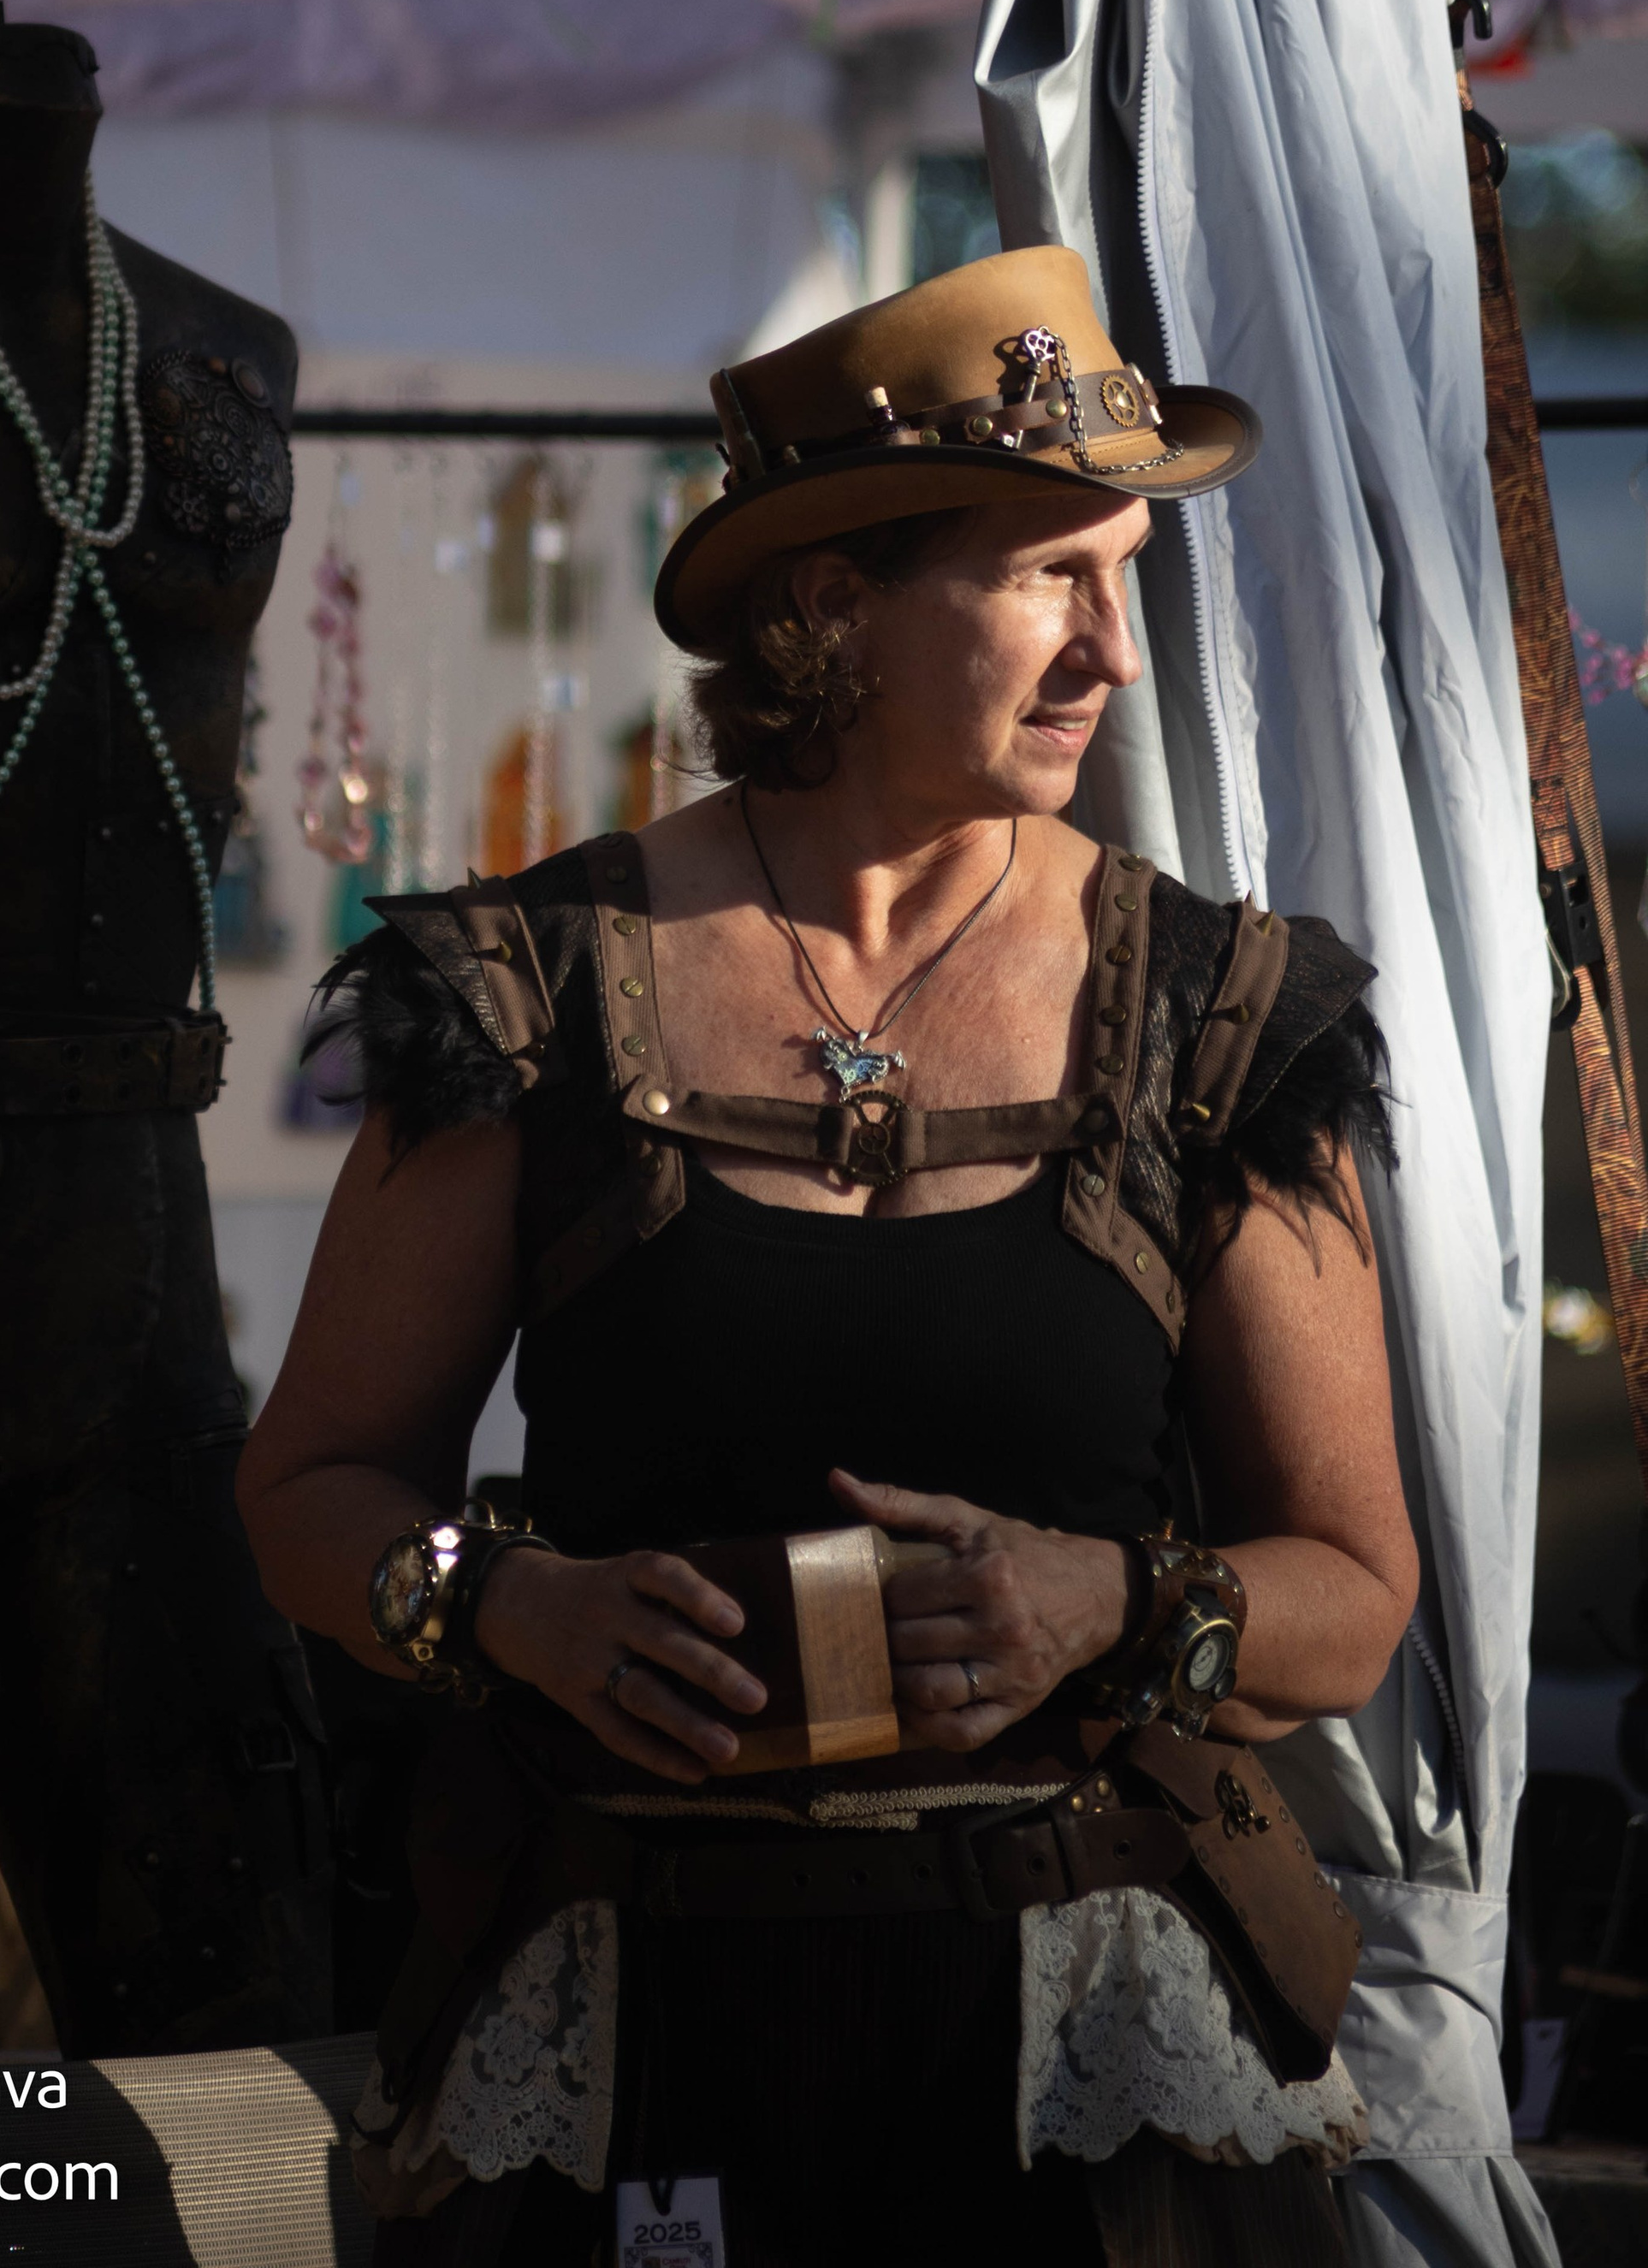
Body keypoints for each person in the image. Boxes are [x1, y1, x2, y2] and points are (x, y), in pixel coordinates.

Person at [240, 246, 1418, 2265]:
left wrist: (1104, 1602)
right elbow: (309, 1487)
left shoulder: (1222, 1014)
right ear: (829, 604)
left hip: (1083, 2057)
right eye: (1053, 575)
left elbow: (1353, 1600)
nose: (1109, 656)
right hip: (640, 2029)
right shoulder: (521, 990)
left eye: (1122, 579)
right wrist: (507, 1607)